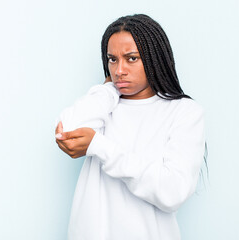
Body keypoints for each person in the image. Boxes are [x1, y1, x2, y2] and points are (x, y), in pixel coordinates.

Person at [55, 14, 206, 240]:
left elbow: (172, 191)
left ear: (154, 58)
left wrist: (100, 146)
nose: (119, 70)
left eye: (131, 58)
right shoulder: (104, 105)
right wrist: (107, 90)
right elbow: (67, 131)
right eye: (112, 59)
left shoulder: (183, 112)